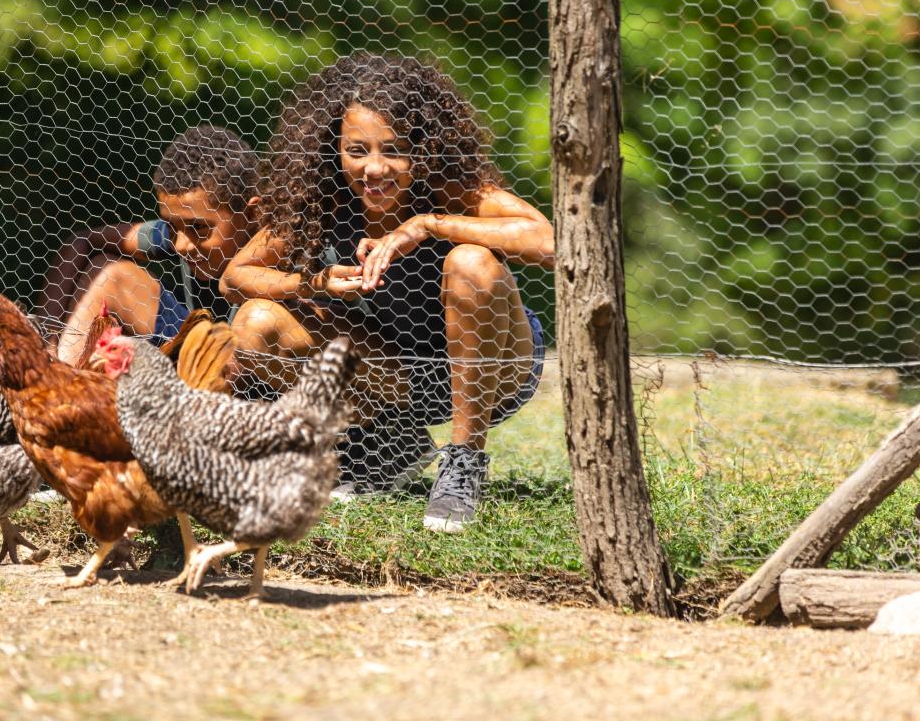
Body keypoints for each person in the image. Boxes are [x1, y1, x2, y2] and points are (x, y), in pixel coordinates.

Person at [220, 53, 554, 533]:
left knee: (470, 260)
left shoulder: (448, 189)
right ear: (332, 148)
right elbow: (235, 277)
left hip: (496, 367)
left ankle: (463, 462)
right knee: (254, 322)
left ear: (423, 147)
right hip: (399, 374)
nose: (374, 168)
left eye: (393, 150)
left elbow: (550, 241)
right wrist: (314, 282)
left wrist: (428, 226)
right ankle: (390, 440)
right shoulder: (324, 198)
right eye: (357, 150)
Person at [43, 126, 260, 365]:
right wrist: (46, 339)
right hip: (187, 345)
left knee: (257, 320)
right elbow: (83, 241)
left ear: (250, 214)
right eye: (171, 227)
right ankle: (54, 376)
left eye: (198, 228)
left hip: (250, 376)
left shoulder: (278, 249)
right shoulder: (182, 231)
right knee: (106, 273)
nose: (180, 245)